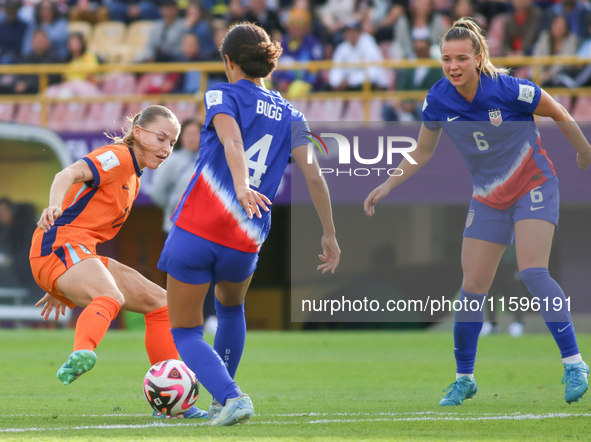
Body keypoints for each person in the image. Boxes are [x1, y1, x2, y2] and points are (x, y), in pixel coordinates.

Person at [364, 17, 591, 406]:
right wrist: (388, 182)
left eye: (461, 58)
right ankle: (464, 379)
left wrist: (584, 150)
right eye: (446, 59)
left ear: (479, 57)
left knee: (534, 271)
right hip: (488, 197)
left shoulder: (507, 89)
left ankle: (575, 364)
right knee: (471, 288)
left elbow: (557, 110)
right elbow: (421, 151)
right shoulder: (437, 98)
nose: (453, 66)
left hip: (534, 185)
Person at [158, 22, 341, 426]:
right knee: (231, 310)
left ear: (229, 61)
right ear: (267, 64)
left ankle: (230, 395)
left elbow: (233, 141)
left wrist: (240, 185)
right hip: (246, 237)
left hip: (198, 228)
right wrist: (329, 233)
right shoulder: (294, 114)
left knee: (186, 331)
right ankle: (224, 401)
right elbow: (315, 176)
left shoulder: (221, 93)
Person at [29, 105, 208, 419]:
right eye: (161, 138)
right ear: (138, 132)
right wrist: (53, 206)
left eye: (171, 143)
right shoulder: (118, 157)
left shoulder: (135, 178)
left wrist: (61, 282)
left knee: (161, 304)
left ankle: (170, 408)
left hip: (76, 254)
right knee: (111, 296)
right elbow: (66, 173)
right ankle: (82, 351)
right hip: (60, 243)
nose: (166, 149)